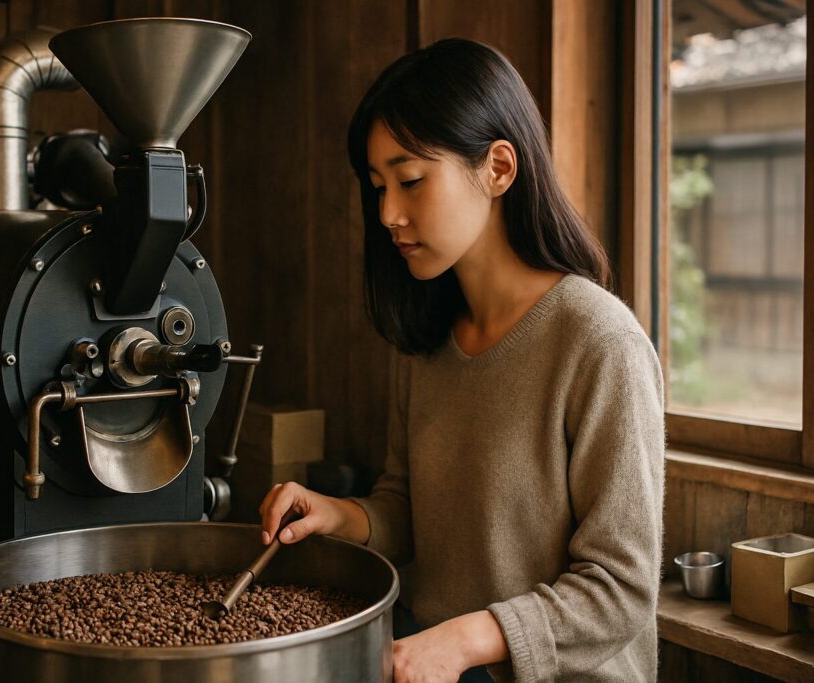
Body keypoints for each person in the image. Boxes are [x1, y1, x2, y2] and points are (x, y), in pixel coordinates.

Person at [259, 37, 665, 683]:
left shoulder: (597, 340)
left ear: (499, 168)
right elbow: (413, 511)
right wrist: (343, 514)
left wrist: (468, 640)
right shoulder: (429, 342)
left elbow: (620, 589)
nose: (389, 213)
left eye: (411, 179)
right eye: (377, 186)